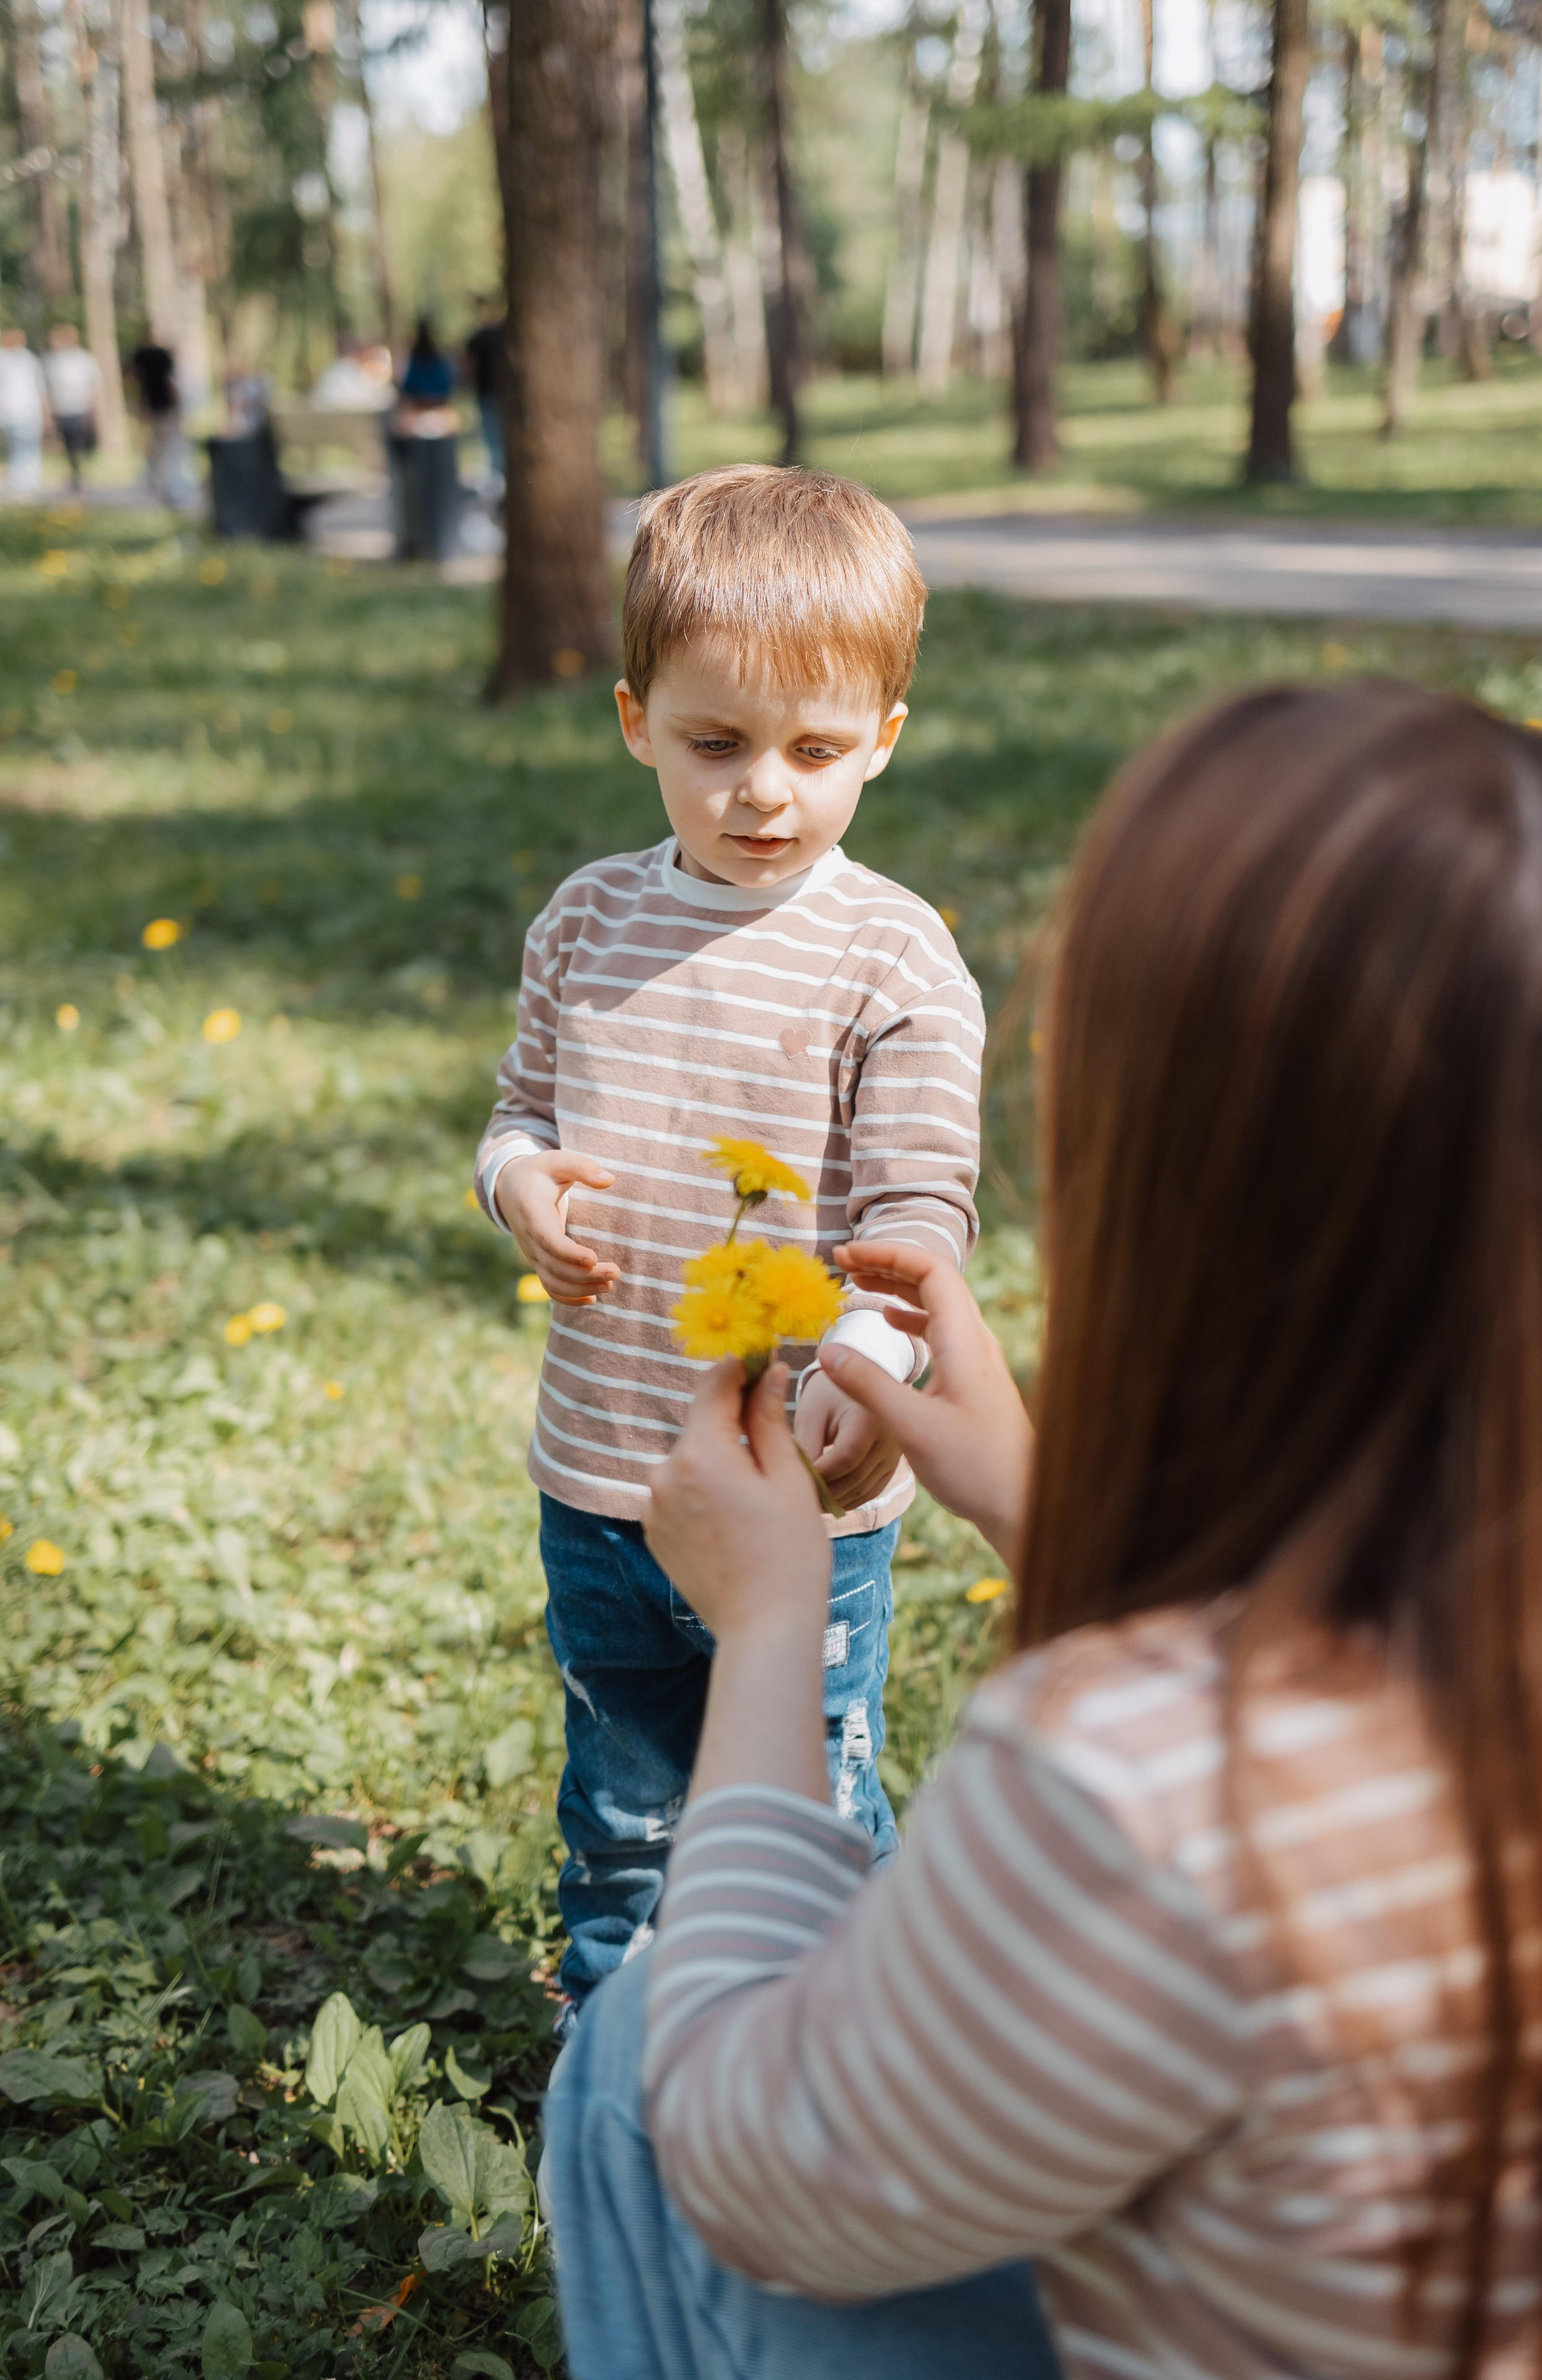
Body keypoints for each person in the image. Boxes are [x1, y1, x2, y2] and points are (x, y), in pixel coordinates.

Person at [546, 682, 1542, 2380]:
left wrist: (773, 1630)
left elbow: (748, 2164)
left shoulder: (1136, 1789)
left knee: (642, 2040)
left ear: (1174, 1169)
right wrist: (1039, 1505)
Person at [474, 465, 983, 2023]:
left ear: (881, 740)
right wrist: (522, 1189)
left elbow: (917, 1219)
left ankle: (841, 2062)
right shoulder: (583, 924)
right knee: (622, 1818)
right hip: (605, 1476)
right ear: (635, 719)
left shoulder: (890, 954)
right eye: (715, 744)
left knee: (811, 1822)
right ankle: (618, 2071)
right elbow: (514, 1114)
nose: (763, 789)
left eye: (815, 750)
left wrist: (869, 1359)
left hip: (799, 1491)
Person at [0, 328, 48, 498]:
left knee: (28, 447)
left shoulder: (29, 360)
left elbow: (41, 388)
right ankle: (18, 482)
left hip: (30, 411)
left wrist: (46, 412)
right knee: (13, 448)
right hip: (4, 413)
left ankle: (27, 484)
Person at [43, 324, 102, 493]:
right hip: (61, 410)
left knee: (80, 443)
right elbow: (47, 388)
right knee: (67, 444)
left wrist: (93, 409)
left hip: (81, 408)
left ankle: (78, 474)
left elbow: (94, 385)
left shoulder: (84, 359)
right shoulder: (51, 361)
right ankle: (74, 473)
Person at [129, 335, 186, 505]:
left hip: (153, 411)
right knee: (169, 451)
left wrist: (141, 410)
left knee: (154, 450)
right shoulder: (163, 362)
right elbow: (171, 386)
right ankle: (168, 488)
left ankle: (155, 486)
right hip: (165, 412)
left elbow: (139, 386)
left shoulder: (144, 365)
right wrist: (178, 409)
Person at [464, 294, 505, 483]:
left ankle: (499, 479)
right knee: (499, 439)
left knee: (492, 440)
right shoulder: (504, 335)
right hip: (500, 395)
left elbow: (469, 369)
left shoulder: (477, 338)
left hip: (488, 395)